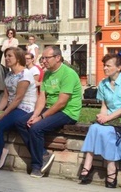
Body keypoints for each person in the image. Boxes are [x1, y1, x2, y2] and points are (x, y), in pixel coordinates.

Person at [16, 45, 82, 178]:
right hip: (51, 108)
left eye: (47, 58)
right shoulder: (46, 74)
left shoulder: (68, 74)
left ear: (57, 58)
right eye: (42, 58)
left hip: (67, 111)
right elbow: (42, 98)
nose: (43, 61)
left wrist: (41, 117)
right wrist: (35, 115)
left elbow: (62, 102)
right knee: (21, 123)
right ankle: (43, 154)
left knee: (36, 128)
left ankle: (37, 166)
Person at [0, 47, 37, 171]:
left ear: (18, 58)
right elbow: (6, 96)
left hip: (24, 108)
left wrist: (4, 114)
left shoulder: (25, 74)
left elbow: (18, 98)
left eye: (10, 56)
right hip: (12, 107)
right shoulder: (10, 74)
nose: (6, 58)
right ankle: (0, 150)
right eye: (6, 56)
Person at [79, 54, 121, 187]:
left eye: (108, 65)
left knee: (109, 132)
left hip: (118, 119)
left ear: (119, 68)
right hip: (110, 118)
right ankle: (88, 165)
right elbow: (104, 106)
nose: (105, 68)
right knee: (94, 128)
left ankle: (111, 168)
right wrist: (102, 117)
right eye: (104, 65)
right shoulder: (103, 83)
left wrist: (107, 118)